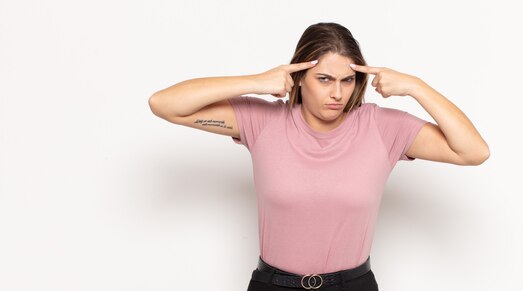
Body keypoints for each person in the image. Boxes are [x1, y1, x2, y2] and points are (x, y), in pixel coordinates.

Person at [148, 22, 489, 291]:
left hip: (353, 285)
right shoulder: (263, 120)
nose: (338, 93)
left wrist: (417, 86)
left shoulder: (383, 128)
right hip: (272, 285)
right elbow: (164, 104)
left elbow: (473, 151)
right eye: (324, 79)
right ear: (299, 77)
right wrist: (256, 81)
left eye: (348, 80)